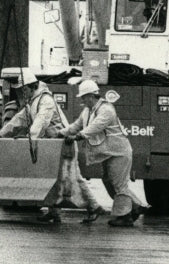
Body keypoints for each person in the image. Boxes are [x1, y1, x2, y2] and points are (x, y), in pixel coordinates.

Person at [0, 69, 104, 223]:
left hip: (63, 143)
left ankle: (94, 207)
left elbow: (41, 121)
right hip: (52, 144)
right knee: (53, 178)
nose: (22, 92)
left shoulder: (46, 100)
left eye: (24, 88)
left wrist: (30, 138)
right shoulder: (33, 100)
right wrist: (0, 134)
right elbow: (19, 119)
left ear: (32, 86)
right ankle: (54, 211)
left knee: (74, 177)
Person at [61, 79, 147, 227]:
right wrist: (60, 133)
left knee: (119, 184)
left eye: (84, 97)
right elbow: (76, 125)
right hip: (109, 152)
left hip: (119, 152)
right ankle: (135, 207)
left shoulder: (106, 110)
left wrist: (78, 136)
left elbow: (95, 127)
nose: (82, 100)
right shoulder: (88, 111)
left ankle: (124, 216)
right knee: (109, 181)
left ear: (91, 95)